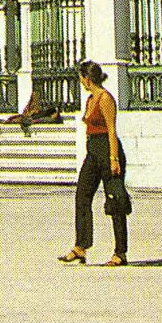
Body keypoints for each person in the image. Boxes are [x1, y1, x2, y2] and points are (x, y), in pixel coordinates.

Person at [61, 61, 127, 267]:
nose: (81, 82)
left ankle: (120, 253)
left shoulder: (106, 99)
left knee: (115, 201)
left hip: (108, 151)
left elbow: (111, 131)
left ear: (87, 79)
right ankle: (81, 246)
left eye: (82, 78)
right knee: (82, 194)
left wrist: (114, 158)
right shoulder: (90, 99)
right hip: (93, 153)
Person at [0, 91, 64, 136]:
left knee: (22, 119)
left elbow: (40, 119)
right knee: (20, 117)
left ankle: (6, 122)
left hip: (32, 119)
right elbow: (40, 115)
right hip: (33, 118)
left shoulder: (50, 119)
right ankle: (7, 121)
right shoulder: (48, 114)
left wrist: (33, 119)